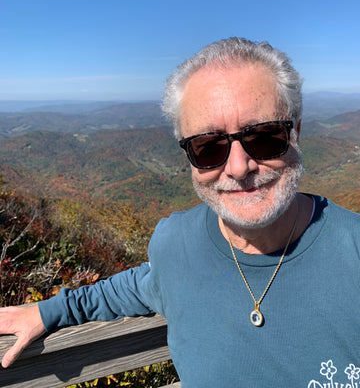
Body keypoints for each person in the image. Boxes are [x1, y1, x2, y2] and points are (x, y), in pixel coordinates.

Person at [1, 37, 360, 388]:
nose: (238, 167)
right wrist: (47, 312)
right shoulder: (175, 244)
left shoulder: (353, 251)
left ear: (295, 132)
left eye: (264, 136)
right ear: (188, 156)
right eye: (208, 147)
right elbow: (140, 284)